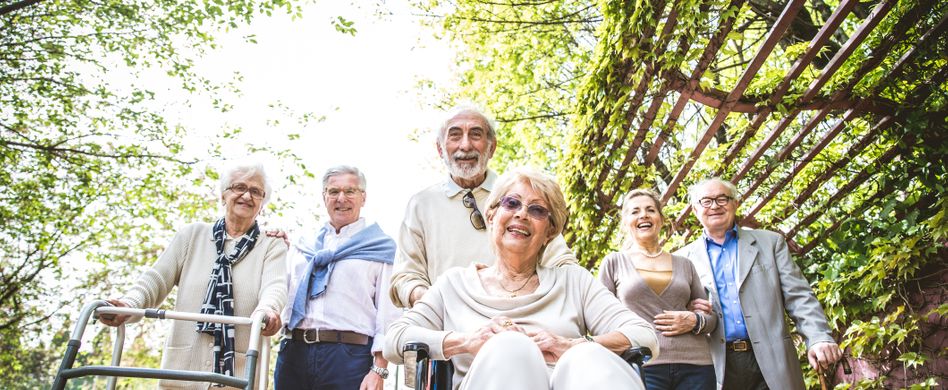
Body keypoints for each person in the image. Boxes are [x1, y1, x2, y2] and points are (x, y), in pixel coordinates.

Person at [384, 167, 659, 389]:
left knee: (586, 356)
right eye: (511, 203)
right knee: (510, 347)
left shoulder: (573, 282)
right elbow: (395, 339)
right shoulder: (453, 285)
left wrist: (571, 345)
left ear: (549, 232)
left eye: (537, 210)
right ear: (492, 216)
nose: (522, 214)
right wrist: (466, 341)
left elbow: (644, 336)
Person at [101, 162, 287, 389]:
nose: (246, 195)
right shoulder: (192, 236)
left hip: (237, 375)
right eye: (239, 187)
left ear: (262, 203)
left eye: (256, 191)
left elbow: (275, 286)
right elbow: (156, 278)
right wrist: (128, 304)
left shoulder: (271, 245)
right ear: (222, 195)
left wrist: (268, 310)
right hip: (182, 371)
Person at [390, 104, 577, 308]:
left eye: (476, 135)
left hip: (515, 318)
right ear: (440, 149)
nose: (465, 145)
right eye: (455, 135)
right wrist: (436, 303)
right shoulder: (421, 204)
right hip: (447, 326)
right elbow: (406, 277)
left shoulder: (521, 196)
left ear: (492, 147)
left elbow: (562, 262)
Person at [676, 178, 842, 389]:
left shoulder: (771, 243)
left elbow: (799, 297)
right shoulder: (682, 259)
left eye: (722, 199)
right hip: (715, 365)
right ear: (695, 209)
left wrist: (818, 337)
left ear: (735, 203)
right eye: (706, 201)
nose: (715, 206)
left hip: (773, 360)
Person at [274, 165, 398, 390]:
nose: (341, 198)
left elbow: (388, 316)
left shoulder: (381, 249)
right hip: (294, 352)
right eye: (333, 191)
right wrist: (269, 247)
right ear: (324, 197)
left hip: (349, 357)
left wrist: (379, 369)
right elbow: (279, 291)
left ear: (363, 197)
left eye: (350, 191)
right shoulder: (303, 247)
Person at [598, 189, 716, 390]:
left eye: (650, 210)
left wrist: (695, 320)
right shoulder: (614, 262)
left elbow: (710, 319)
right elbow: (599, 318)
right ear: (626, 222)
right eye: (635, 211)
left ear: (660, 219)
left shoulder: (685, 264)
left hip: (696, 364)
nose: (643, 215)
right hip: (641, 363)